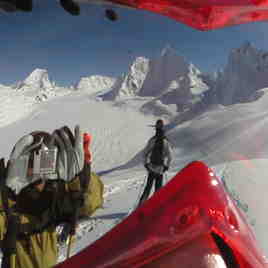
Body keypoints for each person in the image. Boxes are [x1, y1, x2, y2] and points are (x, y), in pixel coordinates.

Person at [0, 125, 104, 268]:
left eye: (45, 165)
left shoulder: (53, 193)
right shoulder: (8, 199)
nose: (38, 175)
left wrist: (80, 178)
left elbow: (91, 203)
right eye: (32, 163)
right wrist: (6, 191)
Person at [138, 119, 172, 206]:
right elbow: (170, 156)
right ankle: (156, 206)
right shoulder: (166, 142)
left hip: (152, 168)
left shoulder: (153, 140)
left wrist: (146, 164)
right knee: (158, 190)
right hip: (160, 169)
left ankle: (141, 205)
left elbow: (145, 153)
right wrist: (166, 166)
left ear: (156, 128)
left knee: (148, 188)